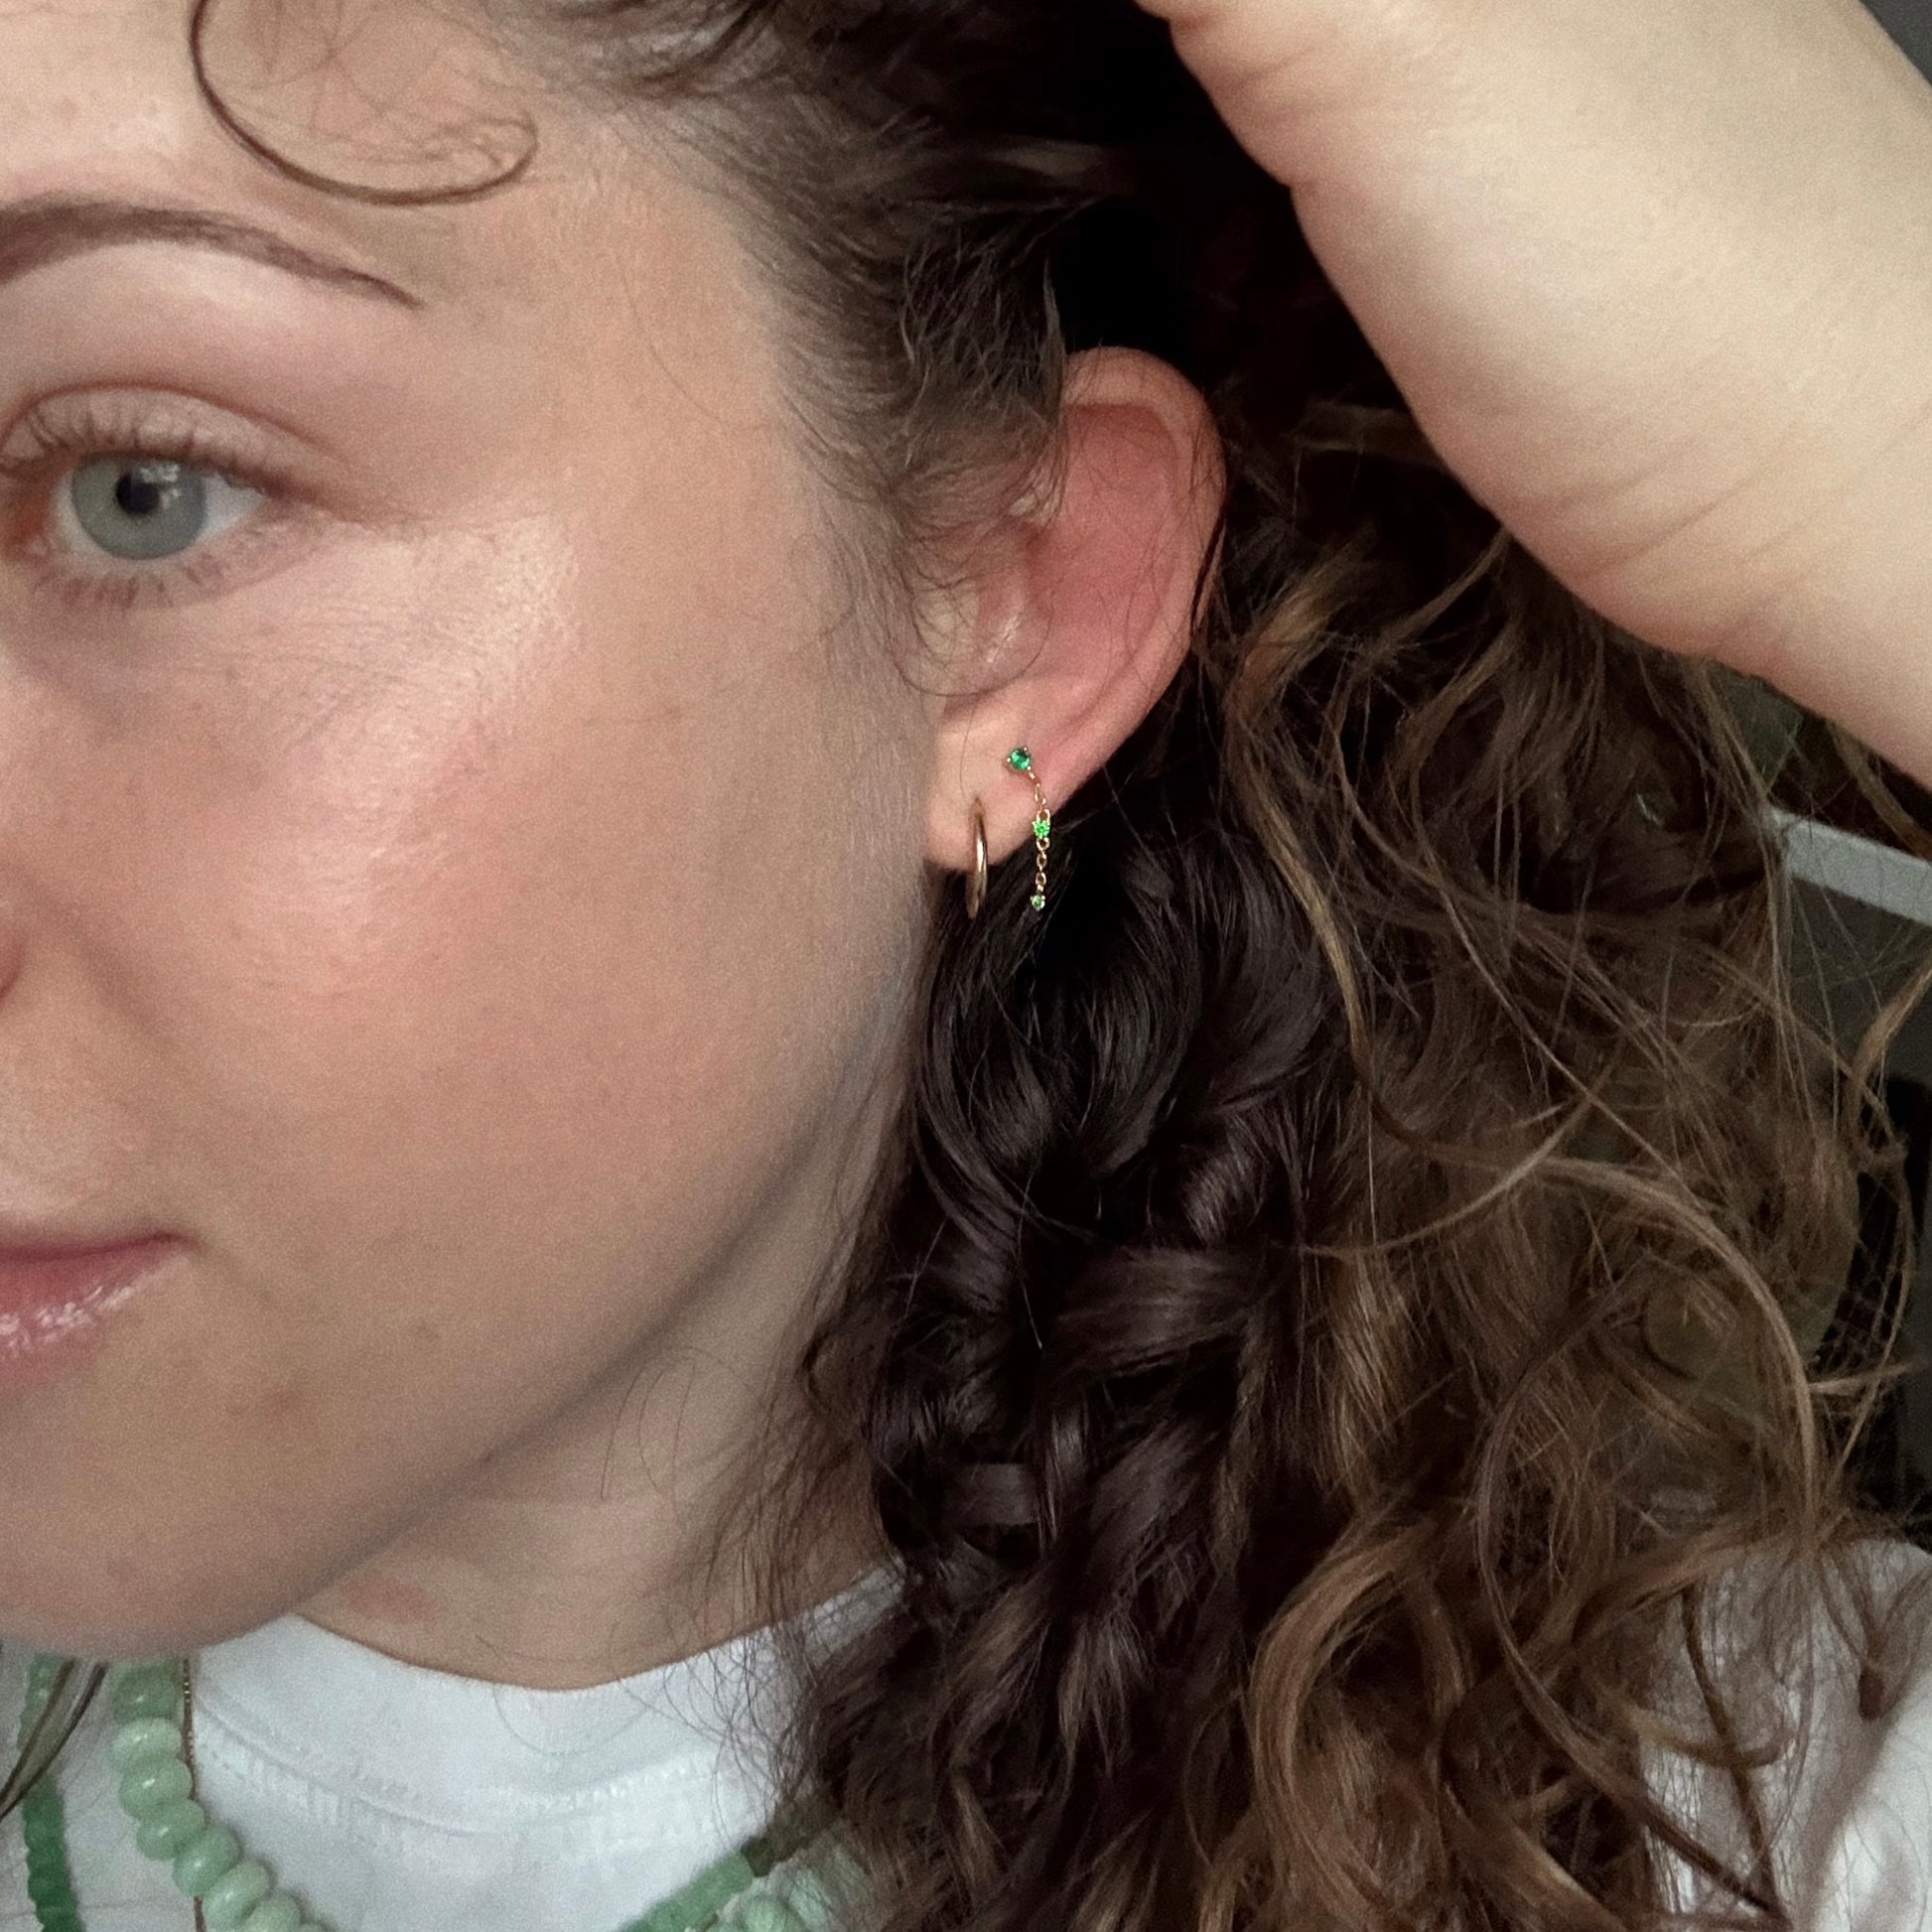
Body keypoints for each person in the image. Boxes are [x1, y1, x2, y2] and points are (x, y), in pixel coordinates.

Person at [0, 0, 1928, 1926]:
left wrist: (1886, 387)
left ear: (1012, 601)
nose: (133, 503)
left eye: (140, 488)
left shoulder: (1745, 1832)